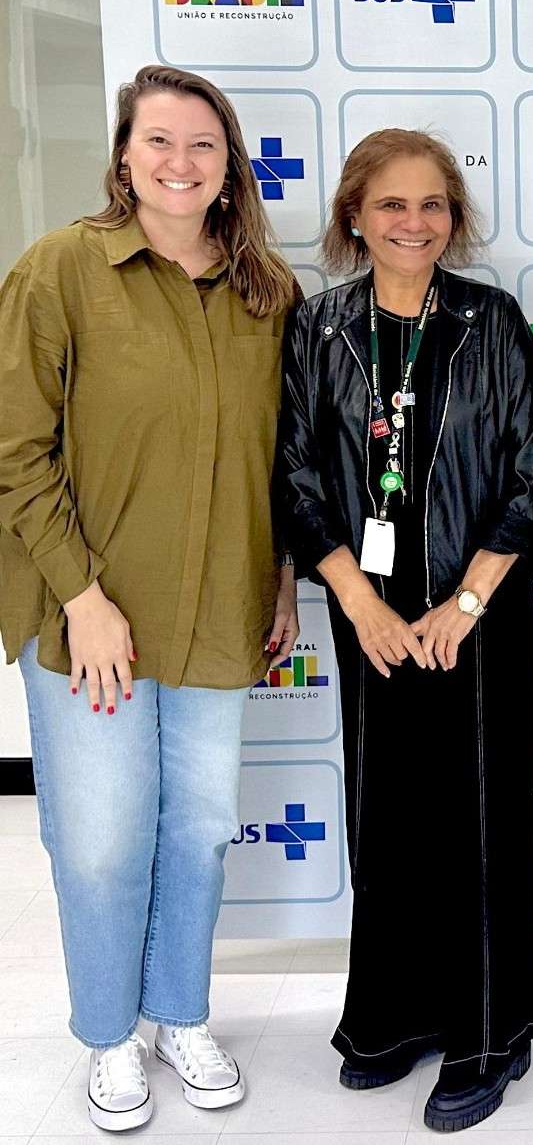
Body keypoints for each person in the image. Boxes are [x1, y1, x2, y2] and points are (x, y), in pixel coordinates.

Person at [0, 64, 300, 1132]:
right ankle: (107, 1034)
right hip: (89, 616)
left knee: (202, 830)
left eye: (203, 143)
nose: (181, 161)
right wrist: (82, 596)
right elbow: (15, 449)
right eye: (159, 140)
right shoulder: (60, 270)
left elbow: (279, 461)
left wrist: (281, 579)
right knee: (100, 839)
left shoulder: (267, 293)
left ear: (229, 166)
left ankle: (179, 1014)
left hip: (219, 607)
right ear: (124, 156)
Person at [275, 128, 533, 1133]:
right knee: (388, 819)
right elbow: (296, 477)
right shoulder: (318, 329)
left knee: (480, 823)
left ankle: (488, 1033)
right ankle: (393, 1018)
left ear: (454, 217)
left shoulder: (492, 320)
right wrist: (358, 602)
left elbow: (531, 479)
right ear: (355, 216)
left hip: (478, 617)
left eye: (432, 204)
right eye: (391, 204)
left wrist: (466, 603)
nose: (414, 222)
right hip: (370, 619)